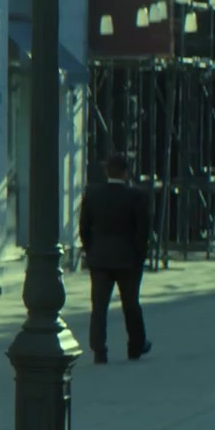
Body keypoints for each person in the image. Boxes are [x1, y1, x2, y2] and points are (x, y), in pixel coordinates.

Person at [79, 153, 152, 364]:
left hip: (100, 259)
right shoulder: (136, 197)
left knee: (99, 306)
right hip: (128, 259)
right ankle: (136, 345)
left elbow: (84, 228)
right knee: (131, 304)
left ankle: (99, 349)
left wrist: (91, 250)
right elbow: (143, 231)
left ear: (106, 172)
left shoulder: (92, 195)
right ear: (126, 173)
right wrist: (140, 255)